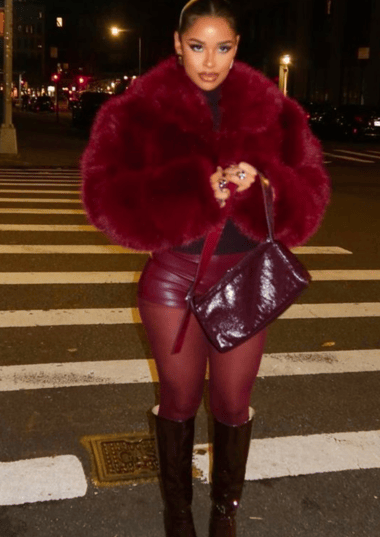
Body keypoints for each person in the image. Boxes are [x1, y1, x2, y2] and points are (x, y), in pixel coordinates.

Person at [81, 1, 330, 535]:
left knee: (233, 403)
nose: (210, 61)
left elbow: (310, 195)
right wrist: (195, 190)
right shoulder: (138, 110)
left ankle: (224, 515)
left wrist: (265, 184)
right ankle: (178, 514)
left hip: (243, 277)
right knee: (178, 399)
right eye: (197, 46)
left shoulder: (275, 110)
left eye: (222, 47)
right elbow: (104, 198)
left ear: (238, 46)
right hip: (173, 277)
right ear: (177, 43)